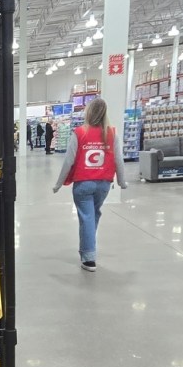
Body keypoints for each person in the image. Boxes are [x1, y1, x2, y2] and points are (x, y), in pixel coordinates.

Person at [52, 98, 128, 272]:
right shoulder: (112, 133)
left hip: (83, 184)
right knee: (93, 215)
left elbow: (68, 161)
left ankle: (88, 258)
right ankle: (88, 248)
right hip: (104, 184)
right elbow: (119, 160)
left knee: (87, 217)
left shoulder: (80, 133)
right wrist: (122, 181)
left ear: (88, 112)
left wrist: (58, 184)